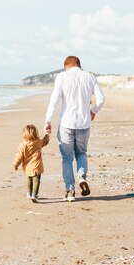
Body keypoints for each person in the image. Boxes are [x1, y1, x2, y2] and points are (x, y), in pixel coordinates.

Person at [44, 56, 105, 202]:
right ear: (79, 65)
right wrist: (93, 110)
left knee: (67, 158)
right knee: (81, 153)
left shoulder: (62, 77)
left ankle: (70, 190)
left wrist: (48, 120)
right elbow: (101, 99)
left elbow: (55, 100)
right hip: (84, 123)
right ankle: (82, 177)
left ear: (66, 66)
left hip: (67, 123)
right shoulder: (90, 76)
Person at [13, 124, 50, 203]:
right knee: (36, 180)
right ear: (35, 133)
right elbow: (45, 141)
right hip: (37, 166)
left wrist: (15, 164)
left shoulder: (23, 145)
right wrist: (47, 134)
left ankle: (29, 193)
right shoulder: (38, 142)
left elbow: (19, 156)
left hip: (28, 167)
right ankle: (34, 195)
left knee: (29, 179)